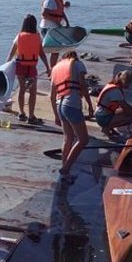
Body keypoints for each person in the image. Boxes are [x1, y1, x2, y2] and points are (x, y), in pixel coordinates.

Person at [49, 51, 94, 182]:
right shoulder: (78, 64)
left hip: (60, 104)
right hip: (72, 104)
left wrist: (56, 115)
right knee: (83, 140)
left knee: (68, 138)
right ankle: (66, 169)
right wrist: (90, 104)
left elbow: (52, 95)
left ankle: (65, 172)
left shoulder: (56, 68)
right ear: (74, 56)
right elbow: (83, 85)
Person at [7, 14, 51, 125]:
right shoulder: (37, 36)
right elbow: (41, 53)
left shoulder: (19, 36)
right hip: (31, 66)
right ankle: (31, 116)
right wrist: (47, 67)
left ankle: (22, 113)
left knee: (22, 89)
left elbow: (12, 52)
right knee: (32, 91)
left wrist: (7, 64)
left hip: (20, 65)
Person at [94, 70, 132, 138]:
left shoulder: (112, 85)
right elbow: (126, 109)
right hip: (102, 118)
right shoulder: (115, 91)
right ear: (124, 81)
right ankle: (106, 129)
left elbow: (125, 104)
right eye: (128, 83)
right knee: (131, 118)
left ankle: (109, 127)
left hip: (102, 112)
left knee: (125, 111)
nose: (129, 85)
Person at [40, 0, 70, 69]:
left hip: (55, 28)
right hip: (47, 28)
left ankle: (52, 68)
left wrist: (67, 22)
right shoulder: (50, 0)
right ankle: (52, 68)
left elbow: (61, 11)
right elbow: (44, 14)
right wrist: (57, 23)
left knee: (56, 49)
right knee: (54, 49)